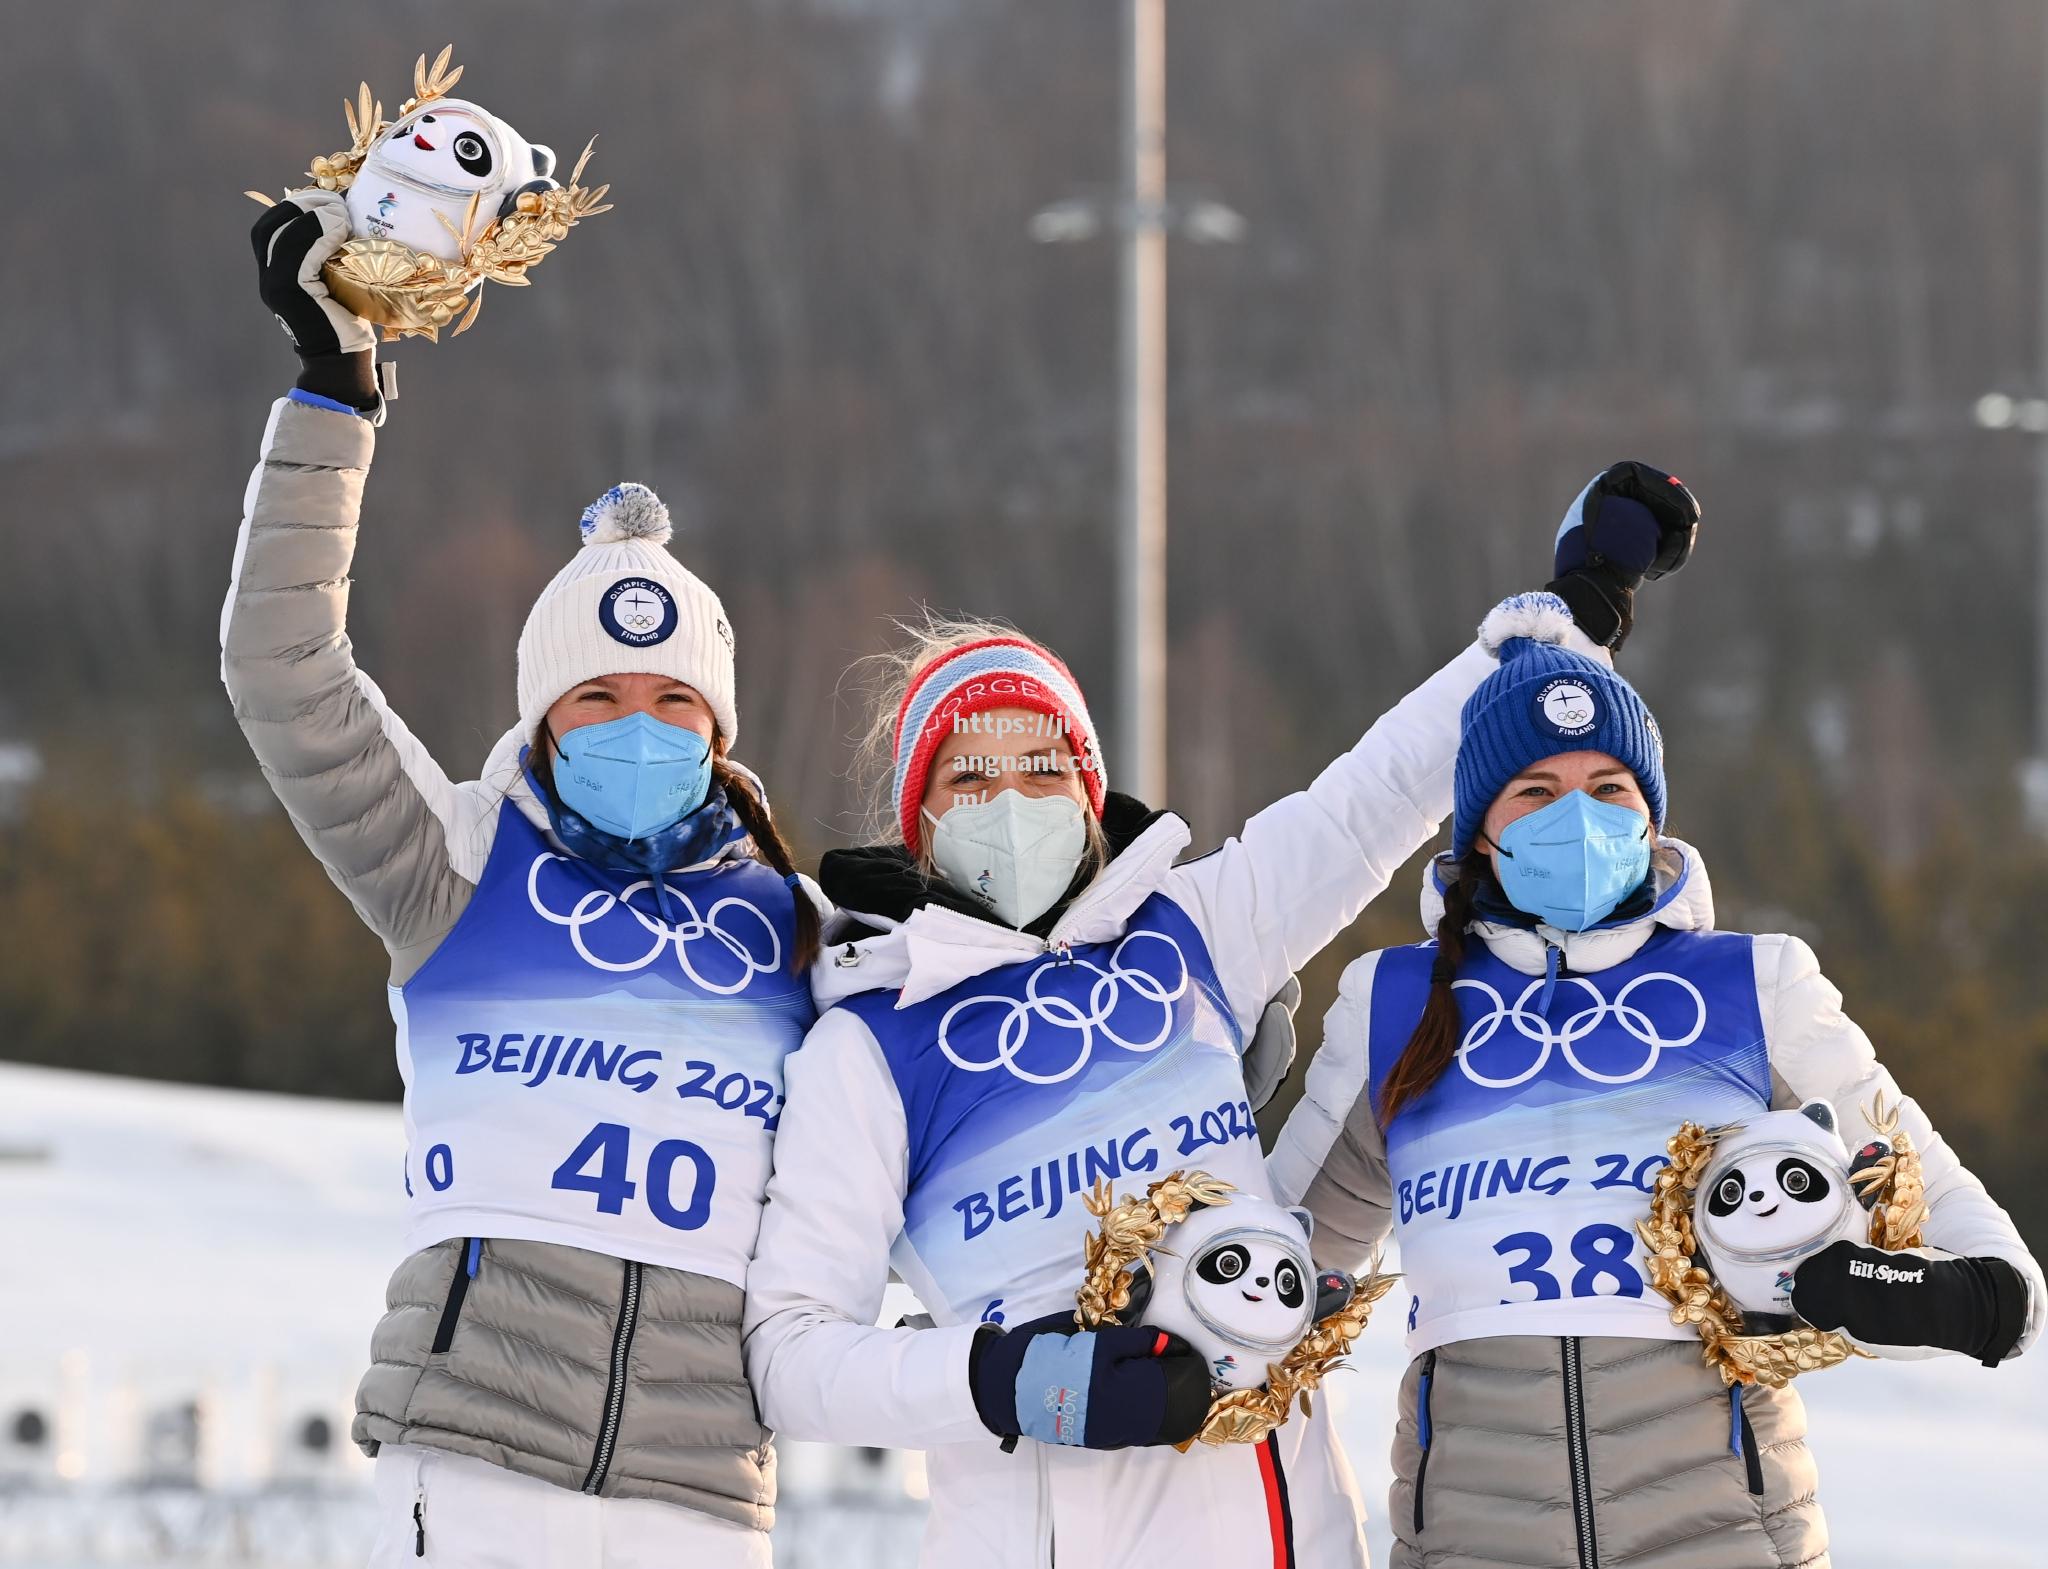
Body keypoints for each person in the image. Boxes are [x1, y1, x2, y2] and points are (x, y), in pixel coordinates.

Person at [740, 465, 1700, 1568]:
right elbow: (791, 1357)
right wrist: (1014, 1379)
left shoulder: (1189, 930)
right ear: (919, 818)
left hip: (1289, 1535)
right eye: (971, 775)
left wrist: (1565, 619)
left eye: (1044, 765)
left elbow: (1368, 802)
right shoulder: (870, 1041)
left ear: (1092, 792)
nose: (1013, 802)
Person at [227, 193, 821, 1567]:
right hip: (478, 1462)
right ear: (543, 718)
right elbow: (285, 675)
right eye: (597, 695)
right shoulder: (455, 864)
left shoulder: (803, 932)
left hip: (701, 1490)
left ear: (721, 730)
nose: (637, 725)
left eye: (675, 701)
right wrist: (335, 398)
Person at [1269, 630, 2045, 1569]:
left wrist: (1896, 1296)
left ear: (1649, 815)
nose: (1578, 818)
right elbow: (1259, 1289)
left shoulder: (1755, 988)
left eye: (1608, 789)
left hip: (1726, 1543)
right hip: (1472, 1544)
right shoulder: (1391, 1007)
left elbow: (1990, 1270)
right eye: (1536, 791)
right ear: (1481, 828)